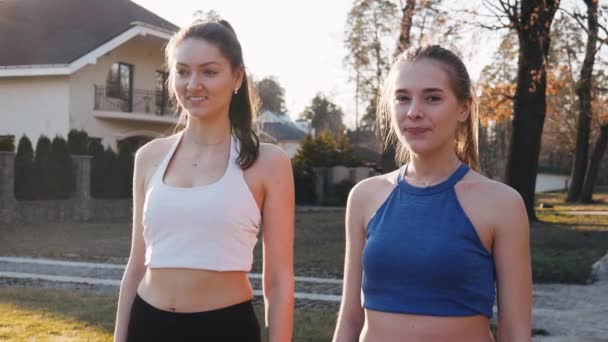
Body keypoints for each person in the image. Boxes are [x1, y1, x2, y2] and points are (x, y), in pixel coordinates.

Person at [332, 45, 532, 342]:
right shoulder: (364, 196)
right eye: (402, 98)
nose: (414, 112)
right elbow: (350, 317)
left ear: (463, 108)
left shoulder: (502, 204)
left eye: (433, 98)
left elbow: (515, 331)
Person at [113, 18, 294, 342]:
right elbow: (137, 264)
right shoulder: (148, 157)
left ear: (236, 77)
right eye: (182, 71)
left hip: (224, 330)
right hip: (147, 325)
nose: (193, 84)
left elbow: (279, 280)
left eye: (209, 71)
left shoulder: (269, 163)